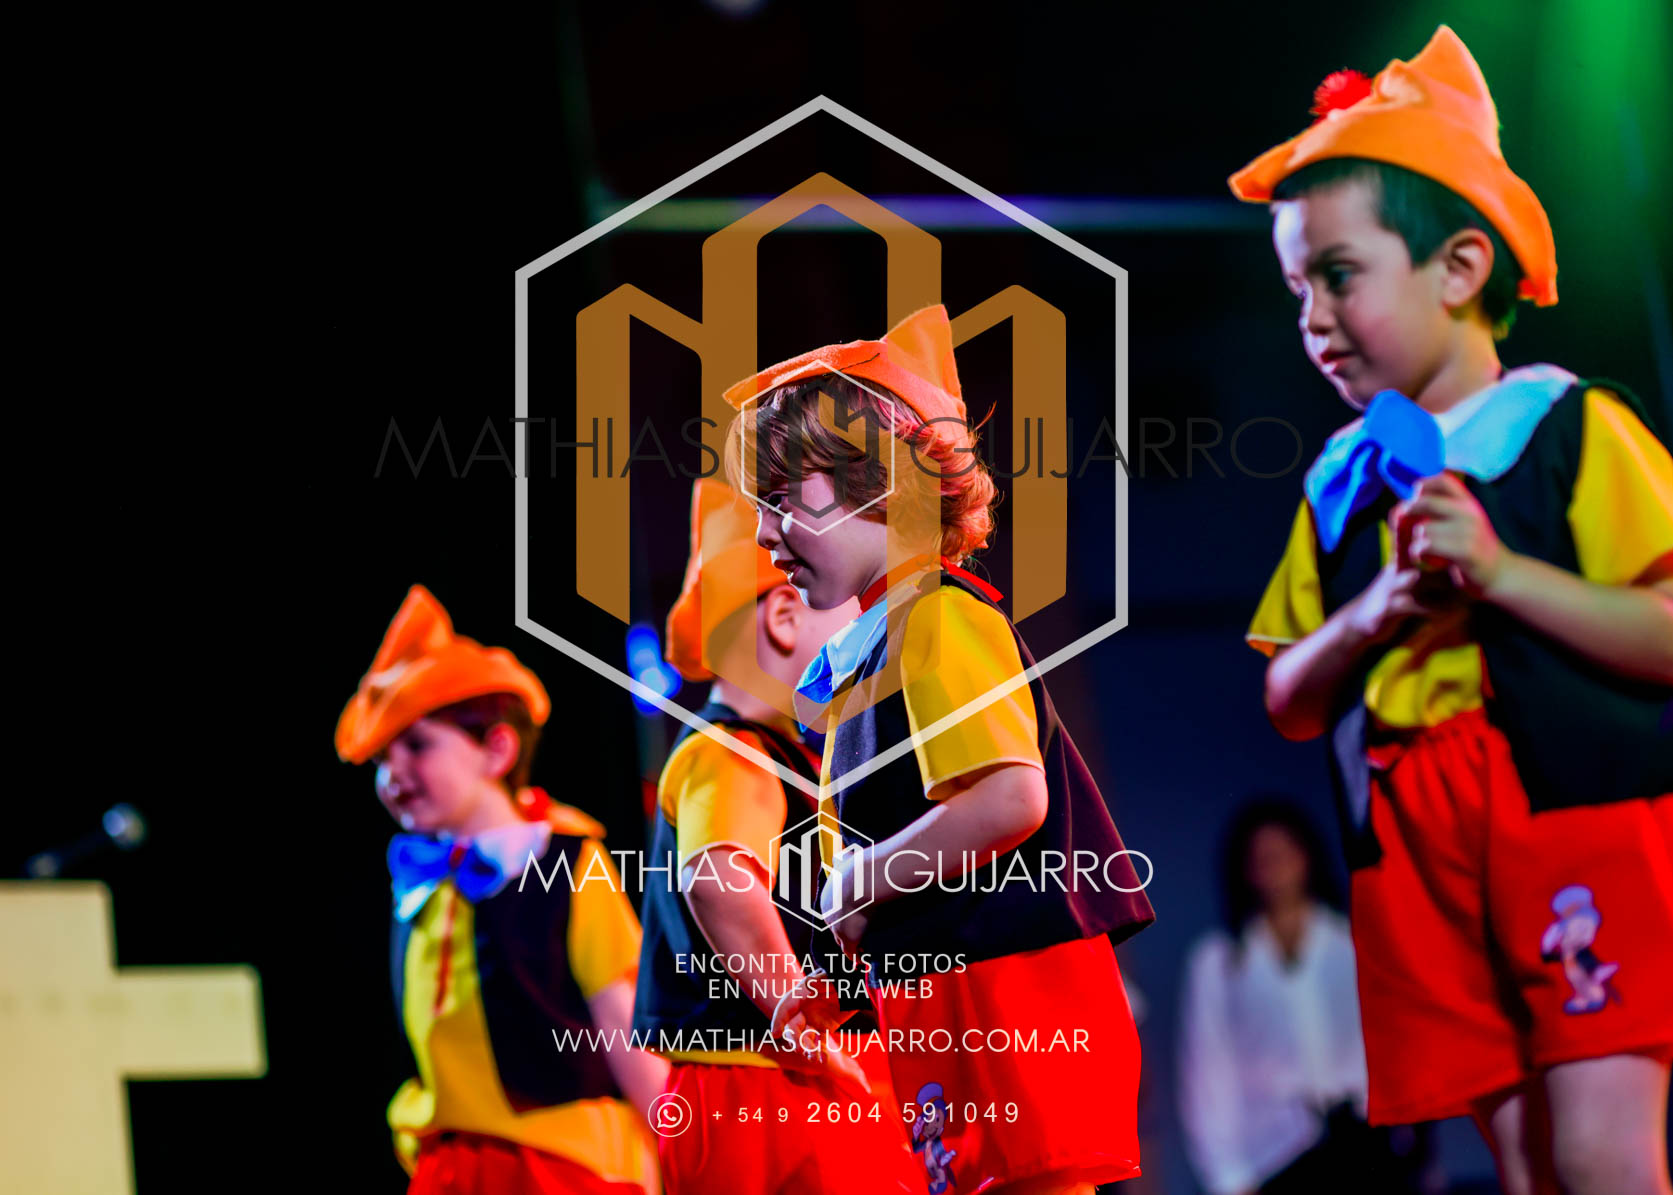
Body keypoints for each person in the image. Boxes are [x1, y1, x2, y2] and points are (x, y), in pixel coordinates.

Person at [1232, 26, 1673, 1195]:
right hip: (1410, 836)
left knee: (1598, 1151)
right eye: (1295, 289)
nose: (1311, 318)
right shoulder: (1338, 483)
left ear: (1461, 267)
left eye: (1337, 275)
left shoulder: (1566, 427)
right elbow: (1286, 692)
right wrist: (1377, 608)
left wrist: (1500, 572)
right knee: (1523, 1167)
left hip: (1563, 808)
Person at [727, 304, 1156, 1195]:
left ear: (877, 482)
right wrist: (837, 967)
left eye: (780, 498)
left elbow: (1009, 799)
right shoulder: (877, 649)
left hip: (1006, 997)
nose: (765, 535)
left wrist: (858, 880)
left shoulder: (939, 616)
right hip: (948, 998)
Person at [632, 478, 925, 1193]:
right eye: (854, 614)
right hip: (765, 1089)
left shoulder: (776, 757)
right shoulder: (731, 752)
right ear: (786, 616)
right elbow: (718, 878)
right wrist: (799, 1020)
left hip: (775, 1083)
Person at [336, 585, 666, 1194]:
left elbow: (624, 1024)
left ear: (496, 749)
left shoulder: (569, 860)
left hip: (560, 1164)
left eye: (417, 745)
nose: (392, 775)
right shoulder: (421, 880)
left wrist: (682, 1154)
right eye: (382, 758)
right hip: (451, 1164)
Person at [1179, 798, 1430, 1195]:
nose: (1275, 865)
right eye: (1262, 857)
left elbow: (1400, 1038)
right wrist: (1227, 1177)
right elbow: (1209, 1072)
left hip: (1370, 1140)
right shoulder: (1219, 961)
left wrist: (1415, 1137)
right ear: (1245, 870)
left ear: (1307, 855)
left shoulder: (1357, 937)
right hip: (1275, 1155)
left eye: (1284, 852)